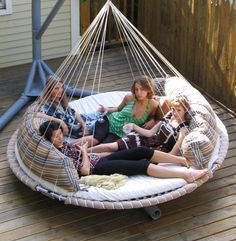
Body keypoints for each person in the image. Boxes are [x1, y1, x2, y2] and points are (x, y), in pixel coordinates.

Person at [39, 121, 209, 183]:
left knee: (140, 150)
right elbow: (83, 171)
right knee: (141, 165)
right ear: (48, 139)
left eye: (60, 134)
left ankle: (182, 161)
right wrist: (84, 151)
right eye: (55, 136)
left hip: (98, 160)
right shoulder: (58, 154)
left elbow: (84, 153)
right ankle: (186, 175)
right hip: (96, 169)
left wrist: (93, 153)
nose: (60, 138)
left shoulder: (62, 146)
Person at [90, 95, 192, 155]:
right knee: (113, 146)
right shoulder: (168, 118)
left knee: (115, 153)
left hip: (155, 149)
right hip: (145, 140)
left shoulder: (183, 129)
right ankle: (83, 152)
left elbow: (171, 154)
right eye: (173, 109)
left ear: (185, 111)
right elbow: (149, 133)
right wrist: (134, 126)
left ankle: (86, 157)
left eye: (178, 110)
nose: (174, 113)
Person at [76, 75, 160, 147]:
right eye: (136, 89)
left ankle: (79, 155)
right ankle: (67, 146)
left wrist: (152, 120)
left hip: (120, 133)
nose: (138, 92)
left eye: (142, 89)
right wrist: (107, 109)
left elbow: (154, 117)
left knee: (103, 146)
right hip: (110, 121)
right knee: (95, 140)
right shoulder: (129, 97)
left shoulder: (153, 105)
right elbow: (118, 109)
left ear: (148, 89)